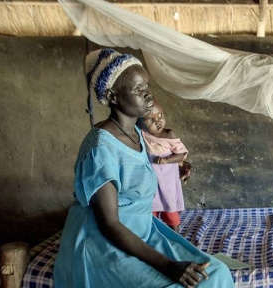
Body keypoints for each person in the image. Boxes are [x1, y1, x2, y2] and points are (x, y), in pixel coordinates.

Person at [53, 48, 234, 288]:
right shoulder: (101, 148)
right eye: (138, 90)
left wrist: (176, 167)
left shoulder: (136, 133)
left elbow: (139, 171)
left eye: (146, 87)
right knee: (188, 284)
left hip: (141, 231)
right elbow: (110, 224)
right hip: (103, 243)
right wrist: (168, 266)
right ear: (113, 96)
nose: (148, 96)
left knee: (217, 272)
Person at [139, 97, 190, 232]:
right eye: (150, 119)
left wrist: (166, 160)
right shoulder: (141, 134)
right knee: (151, 210)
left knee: (170, 210)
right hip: (150, 180)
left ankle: (176, 236)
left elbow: (181, 154)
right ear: (139, 122)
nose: (158, 121)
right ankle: (154, 236)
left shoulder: (168, 134)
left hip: (167, 180)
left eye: (160, 115)